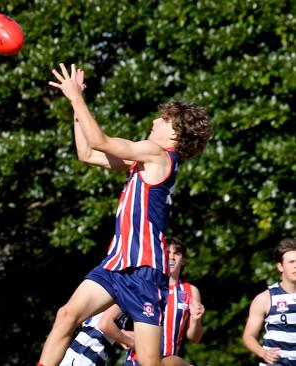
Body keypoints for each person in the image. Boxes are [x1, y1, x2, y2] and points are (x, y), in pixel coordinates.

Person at [38, 64, 211, 366]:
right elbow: (87, 154)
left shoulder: (157, 154)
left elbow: (100, 142)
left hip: (144, 268)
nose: (156, 120)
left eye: (164, 119)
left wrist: (77, 97)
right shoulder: (143, 161)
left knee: (149, 362)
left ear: (175, 132)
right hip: (117, 262)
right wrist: (76, 107)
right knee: (67, 315)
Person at [123, 237, 205, 366]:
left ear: (183, 260)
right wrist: (121, 334)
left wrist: (195, 320)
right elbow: (111, 317)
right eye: (168, 252)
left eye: (177, 253)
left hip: (169, 360)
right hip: (138, 360)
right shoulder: (145, 285)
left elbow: (195, 338)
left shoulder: (190, 291)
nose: (171, 257)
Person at [243, 238, 296, 365]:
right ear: (280, 266)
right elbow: (248, 336)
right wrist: (263, 353)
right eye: (291, 262)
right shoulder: (265, 298)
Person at [59, 304, 133, 366]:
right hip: (84, 357)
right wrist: (131, 342)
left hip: (86, 355)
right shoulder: (122, 299)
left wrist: (121, 336)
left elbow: (88, 321)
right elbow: (104, 325)